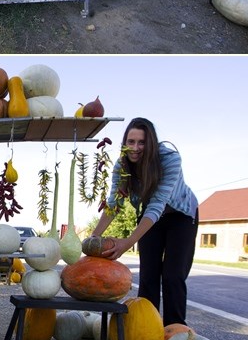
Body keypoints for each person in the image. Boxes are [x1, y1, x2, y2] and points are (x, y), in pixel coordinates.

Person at [85, 116, 199, 326]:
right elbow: (114, 204)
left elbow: (157, 205)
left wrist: (127, 243)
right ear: (125, 143)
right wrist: (94, 238)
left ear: (151, 143)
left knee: (173, 276)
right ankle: (147, 327)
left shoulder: (170, 159)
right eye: (131, 142)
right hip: (149, 216)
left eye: (142, 142)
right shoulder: (122, 166)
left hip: (180, 216)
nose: (135, 148)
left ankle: (174, 329)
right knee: (148, 275)